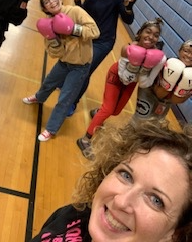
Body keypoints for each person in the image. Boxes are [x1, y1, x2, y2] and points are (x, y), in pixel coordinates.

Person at [30, 119, 192, 242]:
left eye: (156, 200)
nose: (121, 201)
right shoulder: (74, 214)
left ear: (176, 233)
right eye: (126, 175)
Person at [77, 18, 166, 158]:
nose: (151, 37)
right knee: (108, 109)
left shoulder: (159, 58)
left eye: (156, 35)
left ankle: (98, 113)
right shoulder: (128, 48)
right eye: (148, 32)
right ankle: (85, 139)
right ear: (140, 33)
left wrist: (143, 70)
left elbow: (146, 83)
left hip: (133, 82)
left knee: (116, 111)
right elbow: (123, 76)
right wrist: (135, 66)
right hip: (117, 76)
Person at [22, 0, 100, 142]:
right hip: (64, 63)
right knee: (48, 83)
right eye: (47, 2)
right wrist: (53, 38)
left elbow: (95, 31)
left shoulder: (75, 11)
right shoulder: (47, 24)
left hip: (79, 67)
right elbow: (53, 53)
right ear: (45, 9)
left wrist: (73, 30)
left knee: (65, 98)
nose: (52, 2)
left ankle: (51, 129)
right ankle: (39, 98)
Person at [67, 0, 136, 116]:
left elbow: (128, 19)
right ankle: (68, 85)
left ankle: (73, 102)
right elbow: (85, 14)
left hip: (104, 41)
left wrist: (129, 7)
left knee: (85, 70)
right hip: (88, 36)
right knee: (75, 63)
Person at [133, 39, 192, 121]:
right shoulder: (167, 64)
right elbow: (159, 93)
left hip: (166, 100)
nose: (189, 56)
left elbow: (176, 100)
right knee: (139, 120)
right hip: (149, 92)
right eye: (186, 51)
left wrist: (181, 91)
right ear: (179, 51)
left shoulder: (190, 75)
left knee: (155, 125)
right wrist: (168, 84)